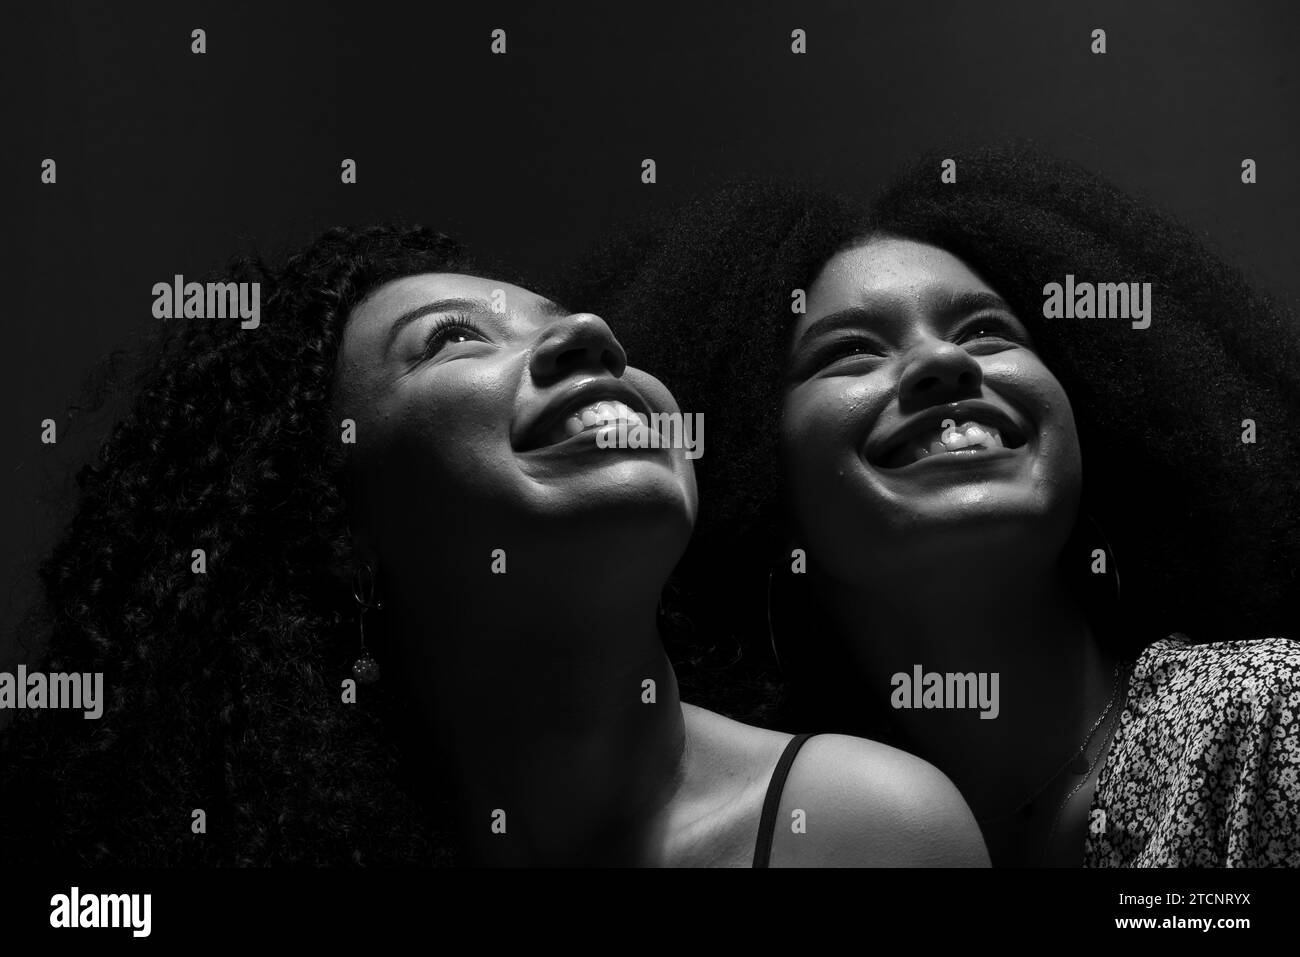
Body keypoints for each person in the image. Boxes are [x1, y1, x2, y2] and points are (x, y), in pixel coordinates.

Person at [0, 224, 988, 868]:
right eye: (451, 341)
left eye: (566, 323)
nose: (595, 338)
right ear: (337, 526)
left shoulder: (863, 830)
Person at [574, 145, 1300, 866]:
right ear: (756, 476)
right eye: (851, 352)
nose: (944, 363)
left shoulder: (1267, 717)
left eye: (986, 332)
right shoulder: (797, 836)